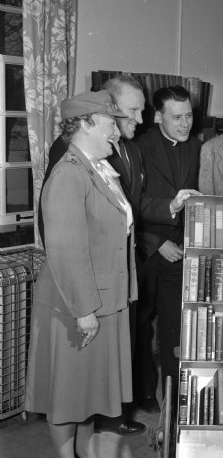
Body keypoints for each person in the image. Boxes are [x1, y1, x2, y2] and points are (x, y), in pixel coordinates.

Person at [39, 76, 196, 433]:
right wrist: (77, 298)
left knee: (99, 373)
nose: (140, 120)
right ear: (96, 116)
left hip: (114, 281)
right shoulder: (71, 160)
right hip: (84, 289)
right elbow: (61, 234)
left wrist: (171, 205)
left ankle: (102, 431)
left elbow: (130, 210)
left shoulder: (117, 156)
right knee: (74, 385)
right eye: (130, 112)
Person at [24, 91, 137, 458]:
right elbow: (67, 250)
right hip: (76, 305)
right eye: (110, 120)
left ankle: (86, 453)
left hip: (103, 298)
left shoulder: (101, 169)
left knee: (88, 387)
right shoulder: (69, 174)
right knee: (67, 394)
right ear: (87, 123)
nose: (117, 127)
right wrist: (85, 311)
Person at [136, 85, 201, 404]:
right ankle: (145, 394)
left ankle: (175, 400)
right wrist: (157, 241)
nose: (185, 124)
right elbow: (132, 203)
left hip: (181, 253)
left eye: (189, 115)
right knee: (139, 329)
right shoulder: (137, 146)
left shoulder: (197, 147)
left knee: (175, 331)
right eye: (177, 117)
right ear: (159, 116)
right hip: (146, 252)